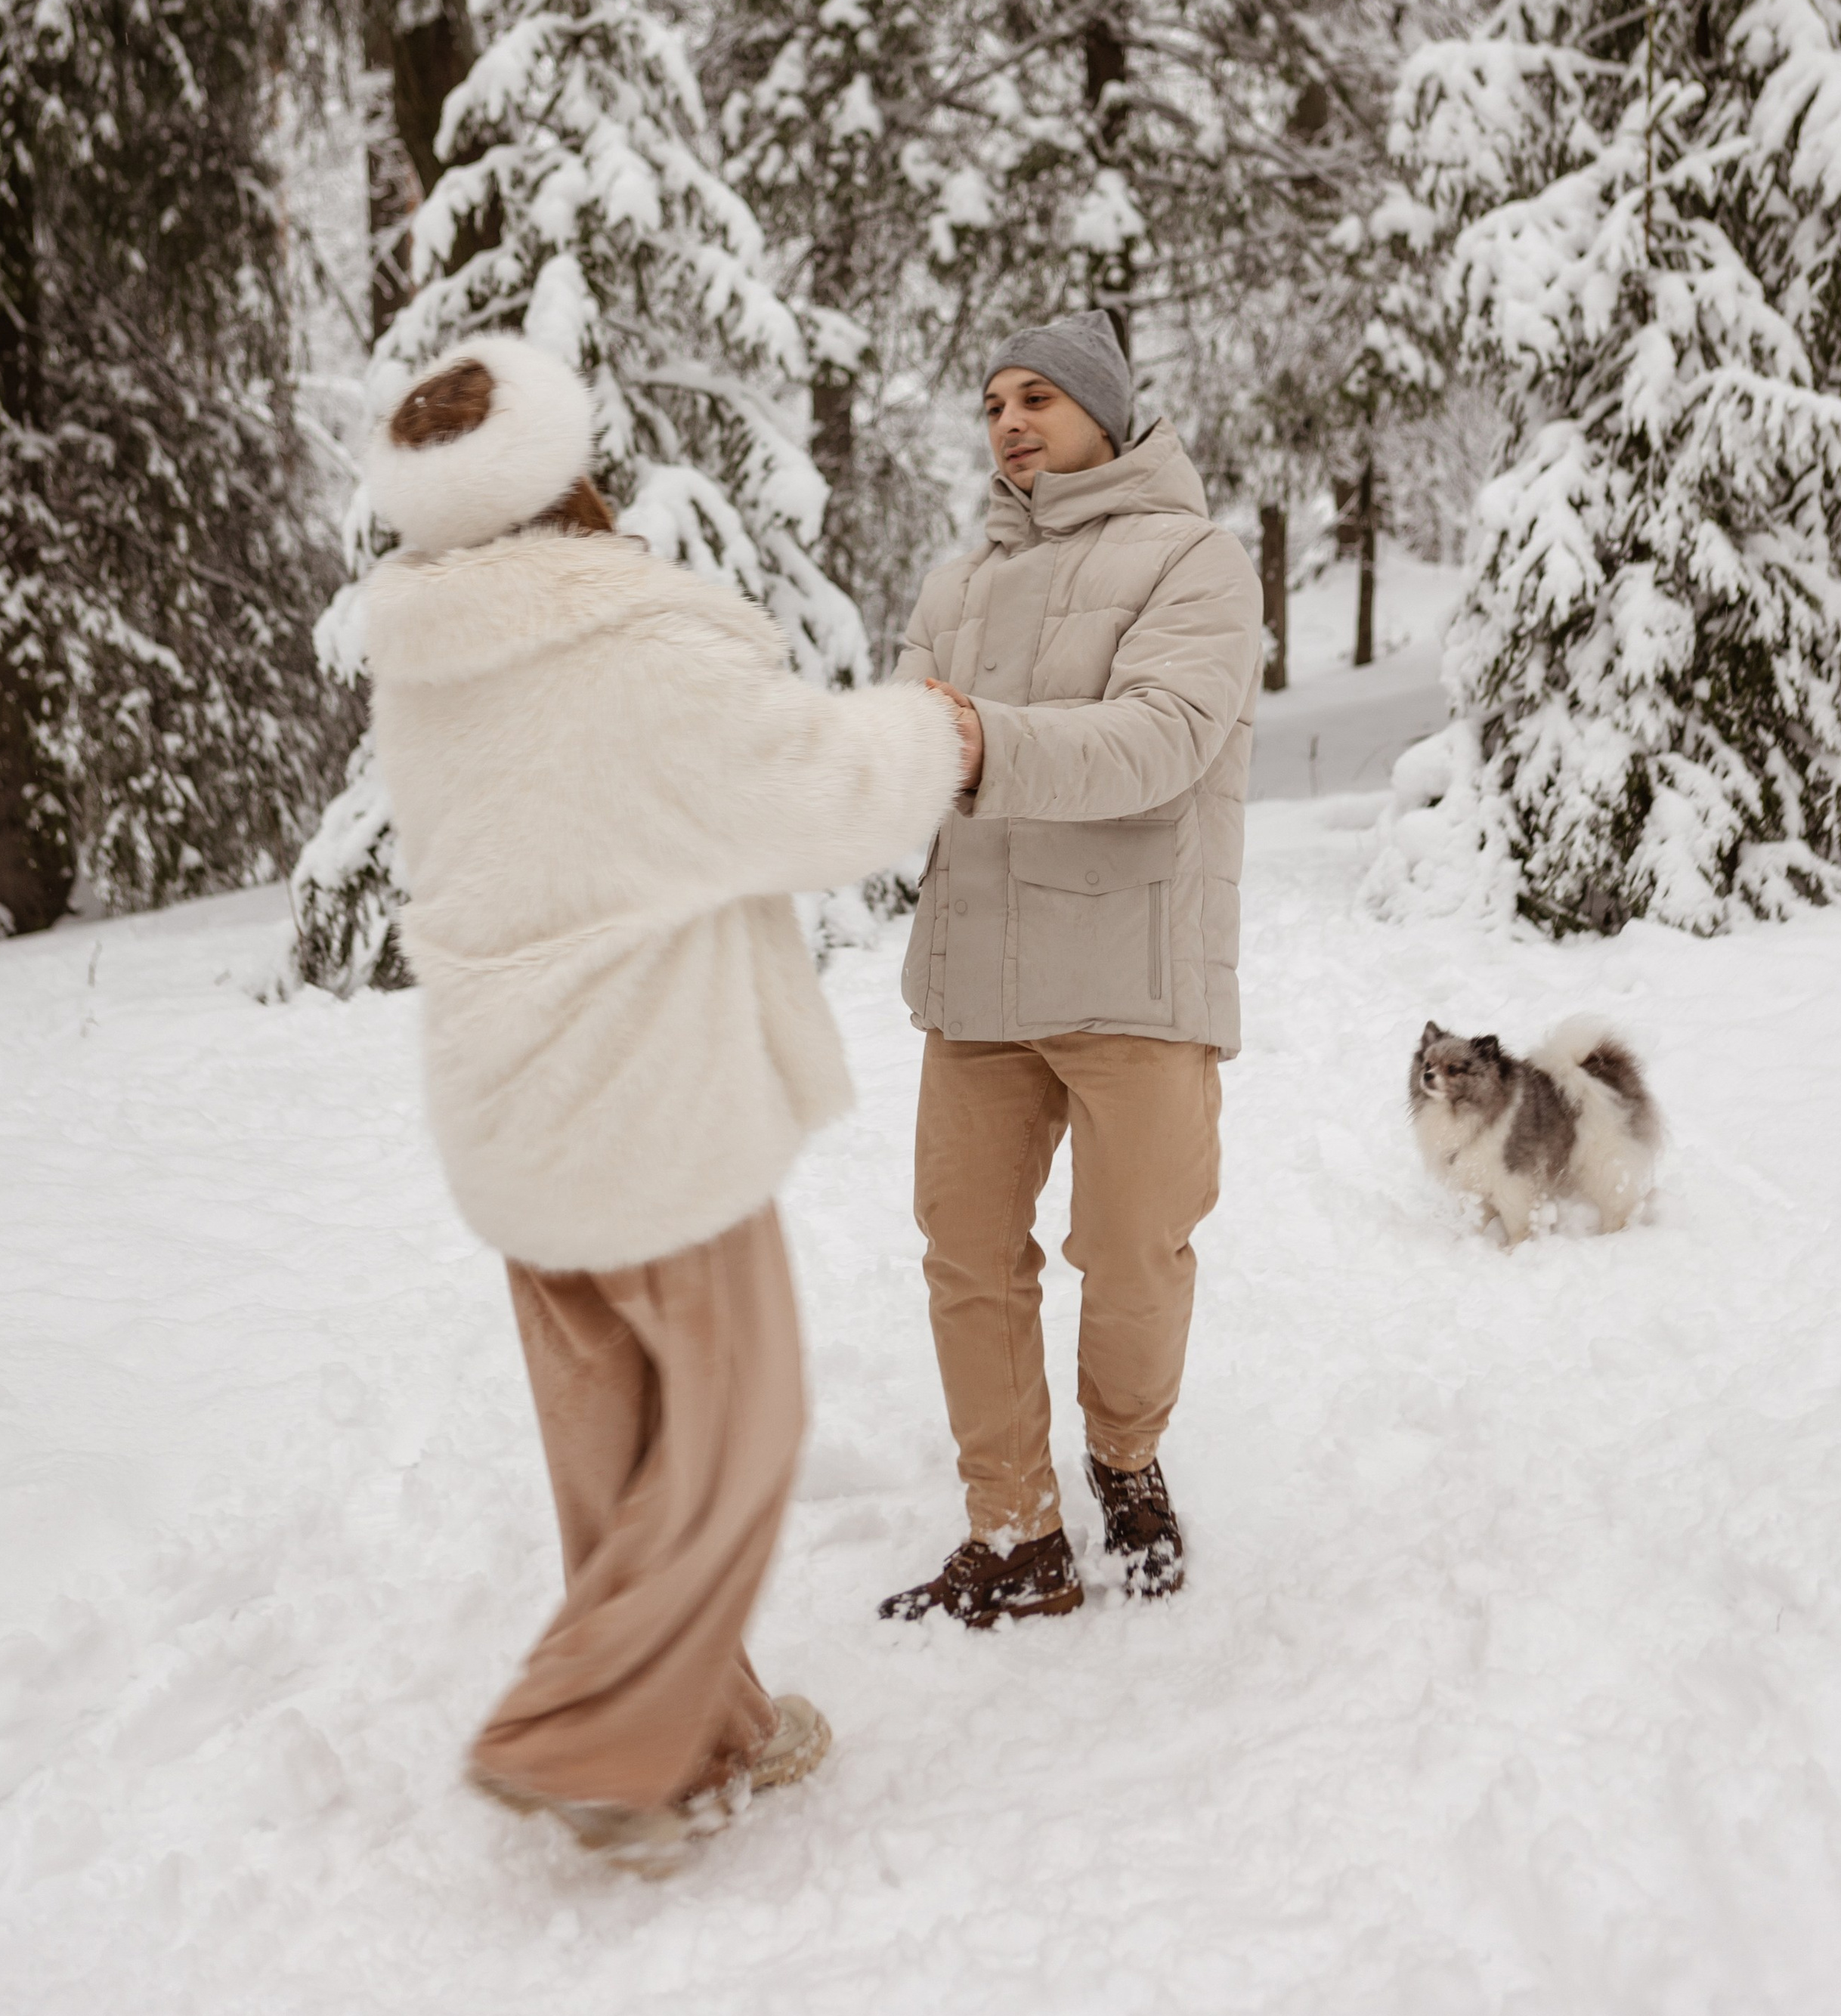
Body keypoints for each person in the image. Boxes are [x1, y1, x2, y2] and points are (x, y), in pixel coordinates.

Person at [363, 332, 963, 1872]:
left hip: (512, 1115)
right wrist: (937, 731)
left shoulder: (426, 663)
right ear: (570, 481)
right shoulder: (629, 646)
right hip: (653, 1118)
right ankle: (599, 1749)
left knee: (613, 1448)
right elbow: (810, 790)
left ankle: (707, 1738)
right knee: (731, 1429)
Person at [880, 309, 1263, 1625]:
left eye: (1037, 396)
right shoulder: (958, 580)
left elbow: (1159, 740)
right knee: (969, 1257)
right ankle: (1014, 1532)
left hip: (1133, 970)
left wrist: (977, 740)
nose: (1009, 423)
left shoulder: (1196, 562)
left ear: (1105, 410)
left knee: (1135, 1250)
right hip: (977, 977)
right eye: (993, 403)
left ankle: (1125, 1458)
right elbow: (906, 748)